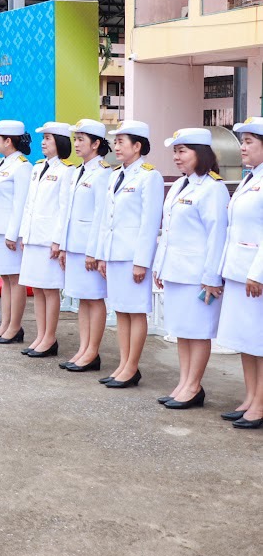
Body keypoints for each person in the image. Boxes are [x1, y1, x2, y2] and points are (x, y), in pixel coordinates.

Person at [152, 128, 228, 409]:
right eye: (175, 151)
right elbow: (169, 230)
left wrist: (211, 277)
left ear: (201, 153)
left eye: (183, 151)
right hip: (175, 271)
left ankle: (194, 386)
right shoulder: (180, 185)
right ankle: (184, 382)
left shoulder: (213, 188)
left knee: (198, 332)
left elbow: (216, 235)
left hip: (197, 275)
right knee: (183, 331)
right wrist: (159, 266)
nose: (176, 157)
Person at [90, 120, 164, 389]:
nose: (117, 147)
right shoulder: (115, 176)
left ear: (138, 145)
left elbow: (149, 221)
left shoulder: (149, 176)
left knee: (136, 312)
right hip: (114, 254)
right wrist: (101, 255)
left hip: (133, 257)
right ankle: (123, 364)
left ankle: (132, 367)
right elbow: (105, 219)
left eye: (122, 142)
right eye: (116, 141)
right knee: (121, 311)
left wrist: (142, 261)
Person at [53, 119, 112, 372]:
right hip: (75, 246)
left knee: (94, 298)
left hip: (89, 248)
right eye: (75, 139)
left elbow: (101, 216)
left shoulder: (103, 173)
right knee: (82, 300)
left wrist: (94, 252)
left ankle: (92, 352)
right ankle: (83, 348)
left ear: (96, 144)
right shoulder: (78, 171)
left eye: (81, 140)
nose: (76, 144)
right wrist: (64, 246)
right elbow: (67, 212)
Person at [217, 117, 263, 427]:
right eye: (242, 141)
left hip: (254, 275)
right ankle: (249, 396)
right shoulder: (251, 178)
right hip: (237, 269)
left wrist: (257, 273)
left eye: (249, 142)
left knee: (259, 340)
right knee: (246, 340)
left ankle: (259, 405)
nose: (242, 147)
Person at [17, 122, 74, 358]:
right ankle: (40, 335)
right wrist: (23, 233)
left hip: (48, 239)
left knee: (50, 290)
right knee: (37, 290)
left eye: (48, 138)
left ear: (60, 142)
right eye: (43, 138)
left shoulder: (66, 170)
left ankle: (50, 338)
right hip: (33, 237)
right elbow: (29, 204)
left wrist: (57, 241)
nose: (43, 142)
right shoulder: (38, 167)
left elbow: (64, 209)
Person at [0, 121, 33, 342]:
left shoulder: (22, 166)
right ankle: (5, 323)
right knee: (5, 278)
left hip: (10, 233)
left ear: (8, 141)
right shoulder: (2, 164)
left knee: (15, 279)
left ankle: (15, 326)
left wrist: (13, 234)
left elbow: (20, 203)